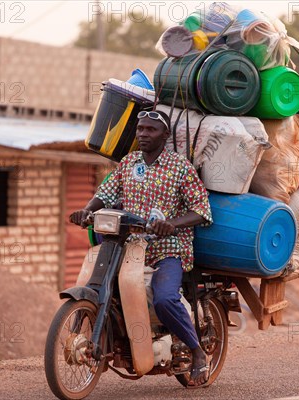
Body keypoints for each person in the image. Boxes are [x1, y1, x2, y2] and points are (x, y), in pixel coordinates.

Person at [69, 110, 213, 386]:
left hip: (167, 249)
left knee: (164, 298)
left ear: (165, 135)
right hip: (130, 246)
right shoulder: (129, 162)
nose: (143, 134)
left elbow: (202, 211)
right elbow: (106, 193)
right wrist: (86, 211)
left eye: (151, 130)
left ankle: (197, 353)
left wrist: (171, 223)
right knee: (103, 288)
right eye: (140, 129)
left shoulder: (179, 167)